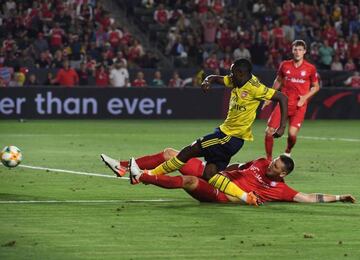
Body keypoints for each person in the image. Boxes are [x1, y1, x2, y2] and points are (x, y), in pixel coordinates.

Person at [110, 59, 287, 205]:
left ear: (242, 73)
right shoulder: (236, 80)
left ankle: (144, 176)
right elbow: (219, 79)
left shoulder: (255, 88)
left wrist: (282, 126)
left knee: (188, 151)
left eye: (233, 73)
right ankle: (246, 197)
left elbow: (282, 97)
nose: (230, 77)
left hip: (227, 137)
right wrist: (208, 79)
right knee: (210, 174)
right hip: (231, 139)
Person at [100, 150, 355, 205]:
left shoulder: (281, 190)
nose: (270, 165)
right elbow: (238, 164)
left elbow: (309, 197)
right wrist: (218, 168)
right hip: (216, 176)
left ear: (283, 173)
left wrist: (339, 197)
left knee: (188, 182)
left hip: (221, 194)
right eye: (273, 161)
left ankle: (141, 177)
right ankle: (123, 167)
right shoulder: (261, 162)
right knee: (171, 154)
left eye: (276, 166)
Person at [263, 40, 320, 160]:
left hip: (299, 105)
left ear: (304, 51)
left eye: (300, 49)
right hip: (283, 103)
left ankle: (288, 150)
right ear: (292, 51)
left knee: (292, 134)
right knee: (269, 131)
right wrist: (269, 96)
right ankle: (268, 160)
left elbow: (316, 87)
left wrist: (305, 97)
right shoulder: (285, 65)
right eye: (295, 49)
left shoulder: (310, 68)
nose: (297, 52)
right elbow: (278, 80)